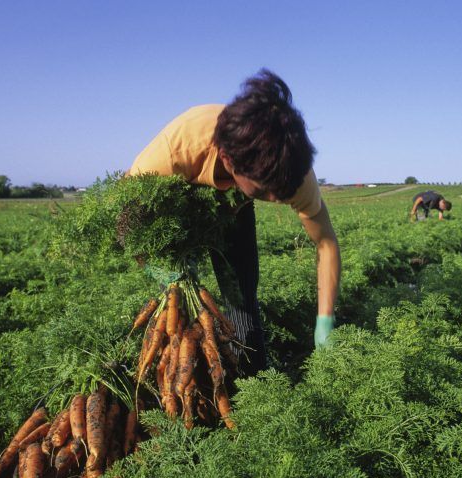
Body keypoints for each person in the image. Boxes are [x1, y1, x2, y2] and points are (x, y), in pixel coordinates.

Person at [124, 69, 341, 375]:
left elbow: (326, 242)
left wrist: (325, 320)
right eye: (266, 190)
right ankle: (188, 377)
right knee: (179, 307)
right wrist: (158, 264)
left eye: (284, 192)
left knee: (241, 294)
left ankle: (255, 382)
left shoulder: (292, 171)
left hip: (235, 207)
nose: (278, 199)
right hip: (173, 208)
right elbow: (127, 219)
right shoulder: (174, 153)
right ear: (228, 160)